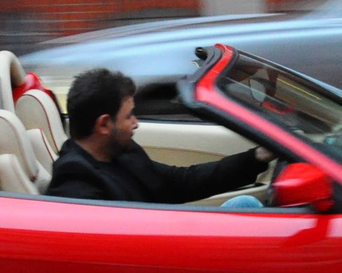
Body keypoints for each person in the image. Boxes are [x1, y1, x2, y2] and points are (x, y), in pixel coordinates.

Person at [46, 68, 271, 204]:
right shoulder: (75, 185)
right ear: (104, 124)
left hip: (167, 234)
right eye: (129, 116)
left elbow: (181, 182)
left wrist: (257, 157)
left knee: (246, 203)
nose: (136, 123)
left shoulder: (121, 152)